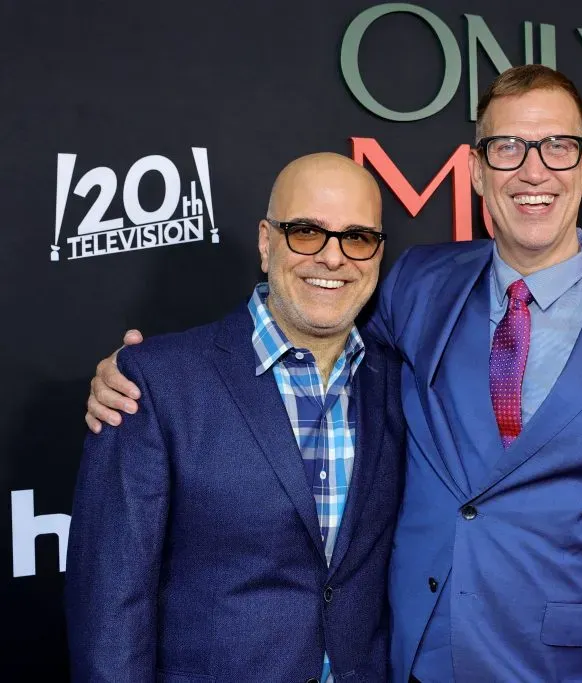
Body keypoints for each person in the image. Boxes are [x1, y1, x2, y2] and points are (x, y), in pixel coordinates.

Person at [88, 65, 582, 682]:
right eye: (508, 148)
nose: (532, 170)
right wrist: (142, 370)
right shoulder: (419, 282)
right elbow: (310, 335)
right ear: (476, 171)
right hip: (409, 660)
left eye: (557, 146)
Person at [67, 153, 405, 682]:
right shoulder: (153, 383)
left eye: (357, 237)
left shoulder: (397, 379)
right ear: (267, 242)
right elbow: (111, 601)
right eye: (306, 232)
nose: (334, 258)